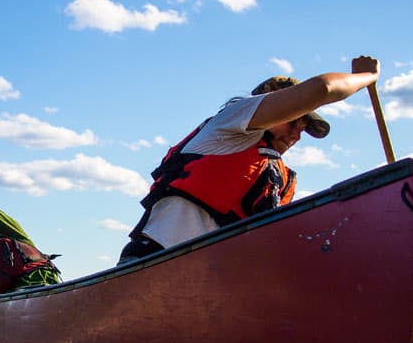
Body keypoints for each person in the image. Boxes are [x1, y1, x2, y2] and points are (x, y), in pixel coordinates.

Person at [118, 55, 380, 264]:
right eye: (293, 121)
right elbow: (322, 89)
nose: (296, 136)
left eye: (302, 128)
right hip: (156, 259)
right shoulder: (231, 123)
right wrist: (368, 76)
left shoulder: (275, 175)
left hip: (210, 280)